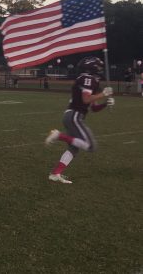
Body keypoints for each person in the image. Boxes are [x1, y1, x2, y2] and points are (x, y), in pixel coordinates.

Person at [44, 56, 114, 184]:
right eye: (98, 67)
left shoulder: (90, 80)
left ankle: (55, 173)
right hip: (74, 116)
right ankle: (58, 135)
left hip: (72, 116)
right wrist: (104, 94)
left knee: (74, 148)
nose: (100, 69)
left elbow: (94, 108)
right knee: (91, 146)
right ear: (93, 68)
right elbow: (86, 99)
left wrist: (105, 103)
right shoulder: (88, 78)